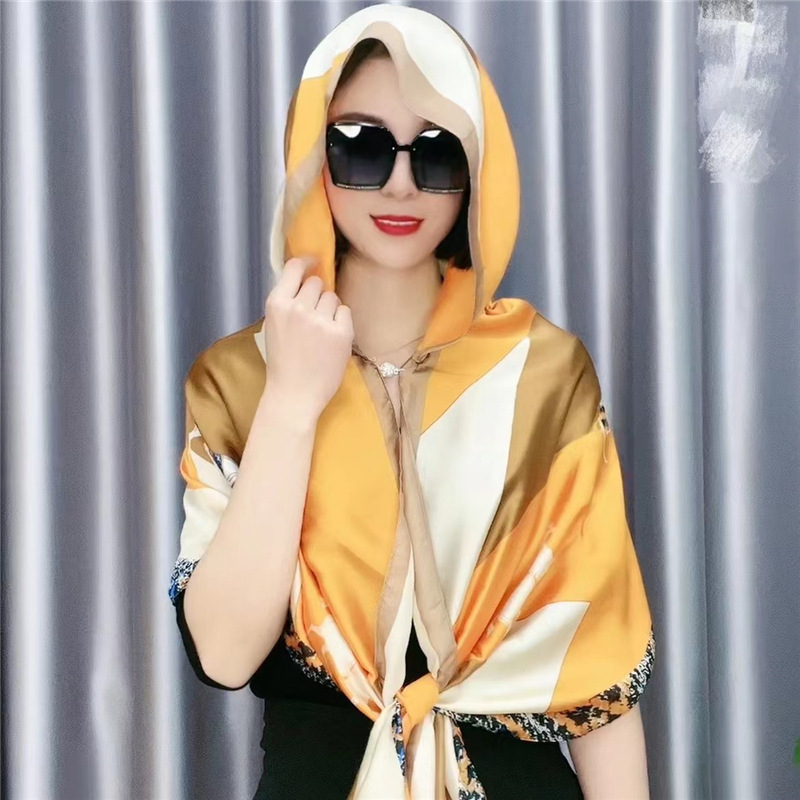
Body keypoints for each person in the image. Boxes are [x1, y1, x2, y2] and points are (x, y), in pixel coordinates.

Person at [168, 4, 656, 799]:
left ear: (478, 168)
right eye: (360, 146)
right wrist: (292, 401)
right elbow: (223, 653)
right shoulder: (241, 378)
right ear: (314, 156)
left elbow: (599, 678)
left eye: (437, 153)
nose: (400, 182)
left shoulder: (543, 373)